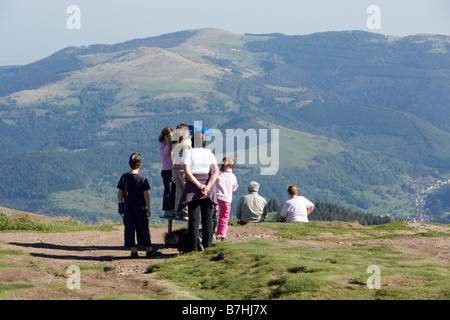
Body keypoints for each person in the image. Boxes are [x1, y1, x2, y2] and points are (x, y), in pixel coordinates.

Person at [178, 130, 219, 252]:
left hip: (193, 187)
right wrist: (207, 186)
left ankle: (193, 247)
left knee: (194, 218)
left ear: (192, 141)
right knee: (207, 218)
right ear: (204, 142)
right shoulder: (209, 153)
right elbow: (215, 171)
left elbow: (187, 172)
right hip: (208, 186)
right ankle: (208, 246)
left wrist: (199, 185)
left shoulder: (187, 153)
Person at [117, 153, 162, 258]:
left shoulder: (124, 177)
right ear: (140, 165)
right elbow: (146, 195)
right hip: (140, 209)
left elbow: (120, 193)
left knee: (129, 228)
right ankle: (149, 249)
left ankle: (133, 251)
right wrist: (148, 208)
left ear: (129, 164)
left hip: (128, 209)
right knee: (144, 228)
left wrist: (120, 207)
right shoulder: (142, 179)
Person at [215, 157, 238, 241]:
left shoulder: (218, 173)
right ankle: (221, 235)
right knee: (224, 217)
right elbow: (234, 187)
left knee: (213, 214)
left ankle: (212, 228)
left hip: (216, 197)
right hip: (226, 199)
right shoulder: (232, 176)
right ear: (232, 165)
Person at [171, 123, 192, 220]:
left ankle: (177, 211)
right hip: (183, 170)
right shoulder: (187, 143)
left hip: (175, 169)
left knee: (179, 192)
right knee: (187, 191)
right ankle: (186, 212)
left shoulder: (174, 143)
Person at [158, 126, 175, 217]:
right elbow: (164, 156)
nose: (170, 137)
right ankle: (167, 209)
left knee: (174, 190)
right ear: (164, 136)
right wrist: (168, 145)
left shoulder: (173, 144)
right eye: (168, 136)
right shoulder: (162, 145)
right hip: (167, 170)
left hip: (174, 169)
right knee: (167, 190)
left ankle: (173, 208)